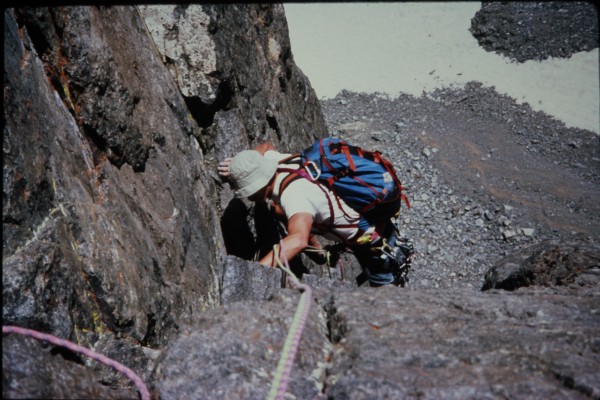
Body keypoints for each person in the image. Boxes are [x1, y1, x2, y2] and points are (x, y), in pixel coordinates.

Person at [218, 141, 412, 287]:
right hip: (364, 223)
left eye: (247, 190)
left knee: (386, 294)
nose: (248, 196)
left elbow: (297, 240)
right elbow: (265, 146)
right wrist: (239, 166)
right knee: (278, 211)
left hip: (374, 244)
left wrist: (256, 271)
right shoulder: (273, 162)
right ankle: (319, 251)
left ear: (258, 186)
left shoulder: (295, 197)